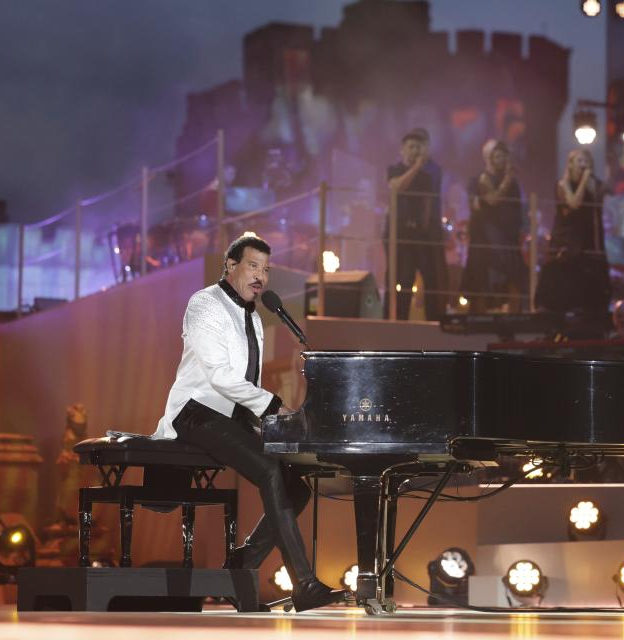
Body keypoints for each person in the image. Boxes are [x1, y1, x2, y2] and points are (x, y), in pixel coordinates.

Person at [153, 234, 345, 611]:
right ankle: (304, 583)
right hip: (195, 412)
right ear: (230, 265)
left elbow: (247, 384)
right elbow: (220, 376)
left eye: (266, 269)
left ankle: (242, 566)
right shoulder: (205, 303)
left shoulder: (254, 317)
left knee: (298, 487)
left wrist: (268, 419)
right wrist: (273, 407)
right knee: (272, 471)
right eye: (253, 266)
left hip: (232, 415)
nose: (260, 276)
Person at [534, 149, 611, 315]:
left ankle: (588, 307)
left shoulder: (594, 183)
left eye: (586, 161)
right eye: (579, 161)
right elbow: (574, 203)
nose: (583, 165)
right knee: (561, 268)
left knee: (587, 271)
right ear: (570, 164)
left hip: (588, 234)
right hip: (567, 234)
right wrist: (584, 182)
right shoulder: (562, 184)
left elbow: (605, 197)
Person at [461, 140, 528, 313]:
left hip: (508, 237)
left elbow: (519, 207)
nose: (502, 159)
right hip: (488, 238)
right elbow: (493, 199)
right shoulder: (482, 179)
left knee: (512, 277)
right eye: (497, 156)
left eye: (504, 155)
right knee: (485, 279)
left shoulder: (513, 182)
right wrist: (508, 178)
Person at [385, 130, 446, 321]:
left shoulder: (428, 175)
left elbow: (429, 206)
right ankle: (395, 321)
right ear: (402, 150)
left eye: (418, 147)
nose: (414, 151)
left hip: (421, 235)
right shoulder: (394, 169)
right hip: (399, 234)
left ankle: (434, 323)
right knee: (401, 279)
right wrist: (416, 168)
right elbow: (396, 187)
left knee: (431, 278)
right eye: (410, 147)